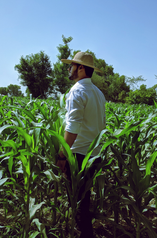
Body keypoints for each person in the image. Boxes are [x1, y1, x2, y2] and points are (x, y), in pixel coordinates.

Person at [56, 52, 106, 238]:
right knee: (84, 200)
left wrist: (62, 155)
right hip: (94, 155)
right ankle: (86, 232)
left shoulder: (78, 90)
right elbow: (102, 124)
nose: (69, 69)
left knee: (76, 202)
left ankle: (83, 233)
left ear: (81, 68)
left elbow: (73, 127)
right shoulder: (98, 93)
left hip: (77, 155)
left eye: (72, 66)